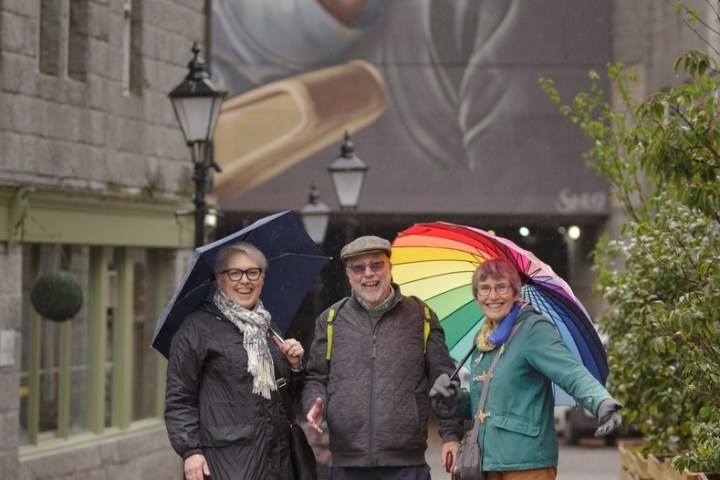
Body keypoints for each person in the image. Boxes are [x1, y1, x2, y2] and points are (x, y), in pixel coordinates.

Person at [429, 258, 623, 479]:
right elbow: (483, 401)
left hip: (526, 464)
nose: (492, 296)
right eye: (484, 289)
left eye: (501, 287)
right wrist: (454, 400)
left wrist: (601, 402)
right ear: (477, 296)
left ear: (514, 292)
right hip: (488, 462)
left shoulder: (533, 329)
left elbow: (570, 372)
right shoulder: (482, 339)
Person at [302, 235, 463, 480]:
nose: (369, 273)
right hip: (347, 464)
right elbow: (316, 377)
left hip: (407, 465)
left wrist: (451, 435)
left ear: (390, 267)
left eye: (376, 264)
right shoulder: (331, 319)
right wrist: (314, 403)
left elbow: (445, 381)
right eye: (359, 267)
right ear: (348, 274)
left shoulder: (422, 316)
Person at [164, 242, 307, 480]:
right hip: (226, 462)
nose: (245, 280)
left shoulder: (268, 327)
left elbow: (287, 400)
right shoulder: (196, 328)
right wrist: (191, 450)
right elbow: (179, 398)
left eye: (253, 272)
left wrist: (294, 366)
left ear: (262, 278)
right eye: (234, 273)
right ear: (219, 280)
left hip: (277, 461)